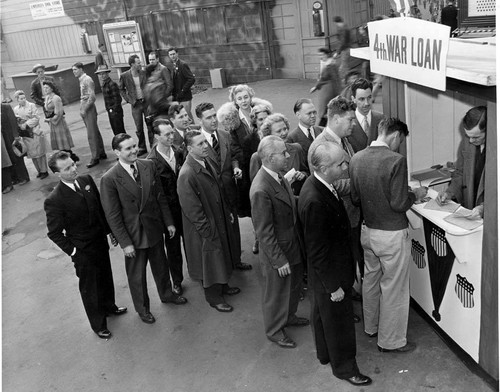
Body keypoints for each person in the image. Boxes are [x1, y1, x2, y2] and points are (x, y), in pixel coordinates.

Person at [349, 118, 427, 353]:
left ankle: (371, 327)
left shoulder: (357, 158)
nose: (399, 146)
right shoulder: (396, 161)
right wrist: (416, 194)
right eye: (400, 141)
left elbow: (354, 198)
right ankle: (391, 341)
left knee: (371, 280)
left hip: (368, 231)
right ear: (395, 136)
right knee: (394, 287)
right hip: (391, 234)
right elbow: (399, 202)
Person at [298, 141, 372, 387]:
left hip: (327, 271)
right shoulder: (315, 201)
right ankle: (345, 368)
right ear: (323, 167)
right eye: (340, 163)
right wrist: (334, 287)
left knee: (321, 316)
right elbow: (317, 251)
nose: (345, 166)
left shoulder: (317, 184)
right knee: (339, 322)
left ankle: (325, 355)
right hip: (330, 274)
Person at [100, 133, 187, 324]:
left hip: (154, 228)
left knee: (161, 267)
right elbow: (112, 215)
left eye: (134, 146)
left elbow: (160, 197)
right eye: (128, 148)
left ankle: (167, 294)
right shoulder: (110, 178)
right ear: (117, 152)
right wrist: (125, 243)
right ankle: (143, 309)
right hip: (133, 236)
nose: (133, 151)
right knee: (137, 276)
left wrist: (169, 222)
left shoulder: (147, 165)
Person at [44, 151, 127, 339]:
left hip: (99, 241)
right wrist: (74, 252)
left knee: (105, 276)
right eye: (67, 169)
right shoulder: (55, 200)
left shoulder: (86, 180)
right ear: (57, 173)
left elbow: (99, 208)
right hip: (82, 250)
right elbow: (54, 233)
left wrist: (109, 231)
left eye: (73, 164)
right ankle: (98, 324)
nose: (73, 169)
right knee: (90, 287)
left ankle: (109, 306)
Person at [250, 135, 309, 349]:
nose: (287, 156)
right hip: (279, 251)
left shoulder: (277, 175)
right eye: (283, 153)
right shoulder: (260, 189)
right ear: (268, 158)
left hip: (291, 243)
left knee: (293, 287)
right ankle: (275, 329)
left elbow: (286, 201)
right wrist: (278, 260)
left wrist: (306, 201)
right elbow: (264, 231)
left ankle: (289, 316)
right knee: (276, 292)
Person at [177, 130, 241, 312]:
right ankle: (214, 297)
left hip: (217, 218)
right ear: (189, 149)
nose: (205, 146)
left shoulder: (205, 162)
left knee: (220, 257)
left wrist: (226, 211)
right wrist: (208, 231)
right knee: (210, 261)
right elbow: (193, 210)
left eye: (205, 142)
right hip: (206, 228)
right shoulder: (187, 174)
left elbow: (218, 189)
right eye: (200, 144)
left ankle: (223, 286)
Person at [309, 96, 363, 308]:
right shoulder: (320, 147)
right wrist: (361, 183)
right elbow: (332, 185)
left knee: (350, 260)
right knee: (341, 262)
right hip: (340, 218)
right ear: (337, 118)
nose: (354, 123)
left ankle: (349, 292)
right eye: (350, 119)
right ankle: (344, 303)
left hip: (351, 215)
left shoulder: (344, 141)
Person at [197, 102, 252, 271]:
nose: (214, 120)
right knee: (218, 232)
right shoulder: (196, 141)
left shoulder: (225, 135)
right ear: (200, 120)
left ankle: (236, 260)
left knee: (233, 228)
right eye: (209, 117)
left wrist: (235, 167)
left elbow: (233, 155)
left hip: (229, 191)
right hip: (211, 196)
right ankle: (223, 266)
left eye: (214, 116)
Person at [147, 119, 186, 295]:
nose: (172, 136)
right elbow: (156, 195)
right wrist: (167, 220)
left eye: (172, 132)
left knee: (192, 243)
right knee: (173, 248)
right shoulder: (150, 162)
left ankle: (198, 272)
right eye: (167, 134)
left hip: (185, 208)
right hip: (169, 213)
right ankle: (177, 281)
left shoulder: (179, 152)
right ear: (156, 137)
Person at [436, 106, 487, 219]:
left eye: (476, 137)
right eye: (468, 136)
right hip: (470, 205)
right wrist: (449, 193)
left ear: (490, 130)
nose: (471, 141)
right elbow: (460, 173)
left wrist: (484, 208)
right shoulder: (468, 141)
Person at [250, 113, 308, 196]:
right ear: (269, 134)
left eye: (285, 129)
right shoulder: (257, 157)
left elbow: (306, 171)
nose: (284, 133)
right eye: (279, 131)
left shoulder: (297, 148)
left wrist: (302, 175)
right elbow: (257, 186)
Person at [217, 101, 252, 218]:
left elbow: (238, 151)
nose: (224, 126)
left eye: (224, 123)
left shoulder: (235, 132)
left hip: (245, 168)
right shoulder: (241, 126)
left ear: (229, 120)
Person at [72, 62, 106, 168]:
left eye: (75, 69)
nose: (74, 72)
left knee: (91, 133)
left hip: (88, 108)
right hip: (84, 105)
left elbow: (92, 97)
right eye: (73, 70)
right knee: (94, 130)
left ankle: (95, 157)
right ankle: (101, 152)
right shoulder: (81, 79)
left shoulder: (87, 79)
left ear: (81, 69)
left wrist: (85, 109)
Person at [13, 90, 48, 179]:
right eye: (21, 98)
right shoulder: (16, 109)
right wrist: (20, 125)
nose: (23, 100)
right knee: (32, 154)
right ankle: (39, 171)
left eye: (24, 98)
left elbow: (36, 117)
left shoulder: (32, 106)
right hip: (25, 135)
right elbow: (16, 120)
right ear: (17, 100)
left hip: (35, 132)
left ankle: (44, 171)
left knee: (39, 153)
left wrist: (26, 124)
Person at [119, 54, 149, 156]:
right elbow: (121, 89)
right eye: (138, 63)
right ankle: (142, 147)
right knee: (139, 128)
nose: (140, 64)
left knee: (150, 125)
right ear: (132, 64)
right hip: (135, 104)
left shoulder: (143, 73)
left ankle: (153, 145)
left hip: (145, 102)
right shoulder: (125, 75)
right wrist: (128, 100)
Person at [43, 80, 79, 163]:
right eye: (44, 88)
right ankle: (68, 158)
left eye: (47, 88)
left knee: (63, 142)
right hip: (52, 123)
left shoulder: (56, 98)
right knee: (60, 143)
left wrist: (50, 119)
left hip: (58, 122)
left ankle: (71, 158)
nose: (45, 89)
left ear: (52, 88)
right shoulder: (47, 97)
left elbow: (59, 113)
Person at [348, 78, 385, 153]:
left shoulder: (382, 119)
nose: (366, 103)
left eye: (369, 98)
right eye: (361, 99)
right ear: (353, 99)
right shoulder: (347, 122)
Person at [1, 103, 30, 193]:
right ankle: (16, 178)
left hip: (10, 135)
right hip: (3, 137)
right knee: (10, 158)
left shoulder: (5, 107)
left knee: (17, 156)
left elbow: (13, 121)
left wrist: (16, 136)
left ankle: (24, 177)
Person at [310, 48, 342, 126]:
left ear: (326, 54)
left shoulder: (330, 65)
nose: (320, 57)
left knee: (326, 110)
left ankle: (322, 127)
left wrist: (316, 86)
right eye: (319, 55)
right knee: (327, 110)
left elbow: (331, 78)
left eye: (322, 55)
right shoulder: (328, 63)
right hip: (326, 90)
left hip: (328, 91)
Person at [167, 47, 195, 122]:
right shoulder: (173, 65)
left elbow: (191, 79)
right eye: (170, 55)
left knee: (187, 116)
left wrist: (183, 90)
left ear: (177, 54)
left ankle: (196, 131)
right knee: (184, 117)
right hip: (178, 96)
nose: (172, 56)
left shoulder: (183, 65)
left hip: (185, 96)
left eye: (173, 54)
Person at [96, 65, 125, 135]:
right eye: (100, 74)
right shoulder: (104, 84)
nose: (102, 76)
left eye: (103, 73)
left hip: (116, 112)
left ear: (107, 73)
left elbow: (117, 99)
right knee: (115, 131)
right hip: (110, 111)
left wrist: (113, 110)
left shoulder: (112, 84)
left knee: (120, 130)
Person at [333, 16, 351, 83]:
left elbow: (342, 41)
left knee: (343, 66)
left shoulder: (343, 29)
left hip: (345, 49)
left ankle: (344, 81)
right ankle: (346, 79)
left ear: (337, 22)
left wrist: (337, 52)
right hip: (347, 48)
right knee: (345, 65)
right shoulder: (345, 27)